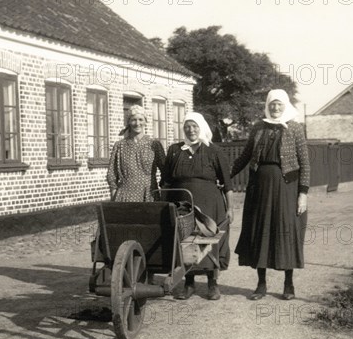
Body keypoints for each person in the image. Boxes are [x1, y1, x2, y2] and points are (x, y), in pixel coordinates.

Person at [231, 89, 310, 301]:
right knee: (260, 231)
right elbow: (245, 157)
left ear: (286, 106)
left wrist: (303, 194)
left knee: (286, 231)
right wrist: (223, 175)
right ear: (267, 105)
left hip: (287, 188)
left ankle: (288, 284)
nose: (275, 108)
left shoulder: (295, 128)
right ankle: (261, 284)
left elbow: (305, 164)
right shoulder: (259, 127)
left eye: (279, 105)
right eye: (272, 104)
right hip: (259, 188)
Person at [161, 111, 234, 301]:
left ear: (201, 127)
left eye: (194, 126)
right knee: (186, 241)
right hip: (183, 204)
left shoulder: (213, 150)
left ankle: (212, 283)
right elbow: (166, 181)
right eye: (187, 126)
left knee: (209, 240)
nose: (190, 130)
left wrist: (230, 208)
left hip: (210, 203)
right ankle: (189, 283)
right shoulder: (175, 150)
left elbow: (227, 183)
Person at [107, 105, 165, 202]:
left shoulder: (154, 144)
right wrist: (114, 202)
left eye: (141, 119)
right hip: (125, 196)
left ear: (145, 121)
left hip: (149, 195)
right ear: (128, 122)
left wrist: (162, 196)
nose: (137, 123)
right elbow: (112, 175)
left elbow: (165, 171)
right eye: (133, 120)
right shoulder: (119, 145)